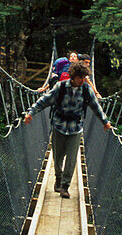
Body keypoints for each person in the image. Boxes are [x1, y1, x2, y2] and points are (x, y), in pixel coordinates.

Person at [23, 61, 112, 198]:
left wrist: (105, 122)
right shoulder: (61, 87)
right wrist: (31, 113)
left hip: (75, 128)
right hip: (58, 126)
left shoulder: (86, 90)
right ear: (73, 76)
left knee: (71, 159)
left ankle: (65, 186)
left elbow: (96, 107)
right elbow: (44, 100)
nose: (83, 80)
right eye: (80, 77)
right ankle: (58, 178)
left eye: (84, 77)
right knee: (57, 158)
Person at [37, 50, 102, 98]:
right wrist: (43, 89)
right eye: (71, 56)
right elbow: (55, 80)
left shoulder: (80, 70)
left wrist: (96, 93)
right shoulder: (63, 67)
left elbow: (88, 81)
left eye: (74, 56)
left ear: (77, 59)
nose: (72, 57)